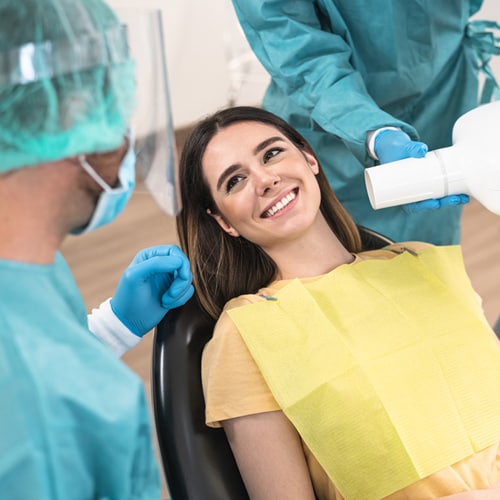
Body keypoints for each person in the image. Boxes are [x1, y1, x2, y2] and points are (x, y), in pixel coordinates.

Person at [176, 106, 500, 499]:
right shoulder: (246, 335)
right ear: (223, 221)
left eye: (272, 153)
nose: (265, 179)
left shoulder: (419, 263)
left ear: (309, 158)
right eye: (235, 180)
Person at [0, 0, 193, 497]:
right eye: (114, 98)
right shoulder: (42, 409)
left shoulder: (28, 269)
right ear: (73, 110)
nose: (126, 133)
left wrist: (112, 328)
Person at [228, 0, 500, 245]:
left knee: (433, 263)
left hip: (443, 90)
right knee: (346, 257)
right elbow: (293, 45)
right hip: (333, 121)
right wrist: (372, 132)